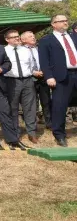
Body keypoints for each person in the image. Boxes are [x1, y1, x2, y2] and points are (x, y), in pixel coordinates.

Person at [38, 15, 77, 147]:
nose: (65, 22)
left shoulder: (74, 37)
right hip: (61, 77)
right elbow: (44, 61)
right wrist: (49, 76)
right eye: (62, 21)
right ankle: (59, 135)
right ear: (53, 24)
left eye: (66, 20)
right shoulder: (46, 40)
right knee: (60, 106)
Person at [3, 30, 39, 144]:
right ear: (7, 39)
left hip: (27, 80)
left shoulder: (25, 50)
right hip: (11, 81)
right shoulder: (3, 51)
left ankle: (31, 133)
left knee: (30, 107)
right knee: (12, 108)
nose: (16, 39)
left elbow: (31, 65)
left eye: (17, 36)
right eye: (13, 37)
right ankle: (15, 133)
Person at [21, 31, 50, 128]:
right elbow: (22, 66)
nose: (33, 38)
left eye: (33, 36)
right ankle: (32, 125)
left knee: (46, 101)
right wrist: (33, 72)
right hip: (29, 79)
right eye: (30, 36)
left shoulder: (39, 49)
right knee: (31, 103)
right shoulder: (20, 51)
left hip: (42, 78)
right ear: (23, 40)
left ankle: (49, 123)